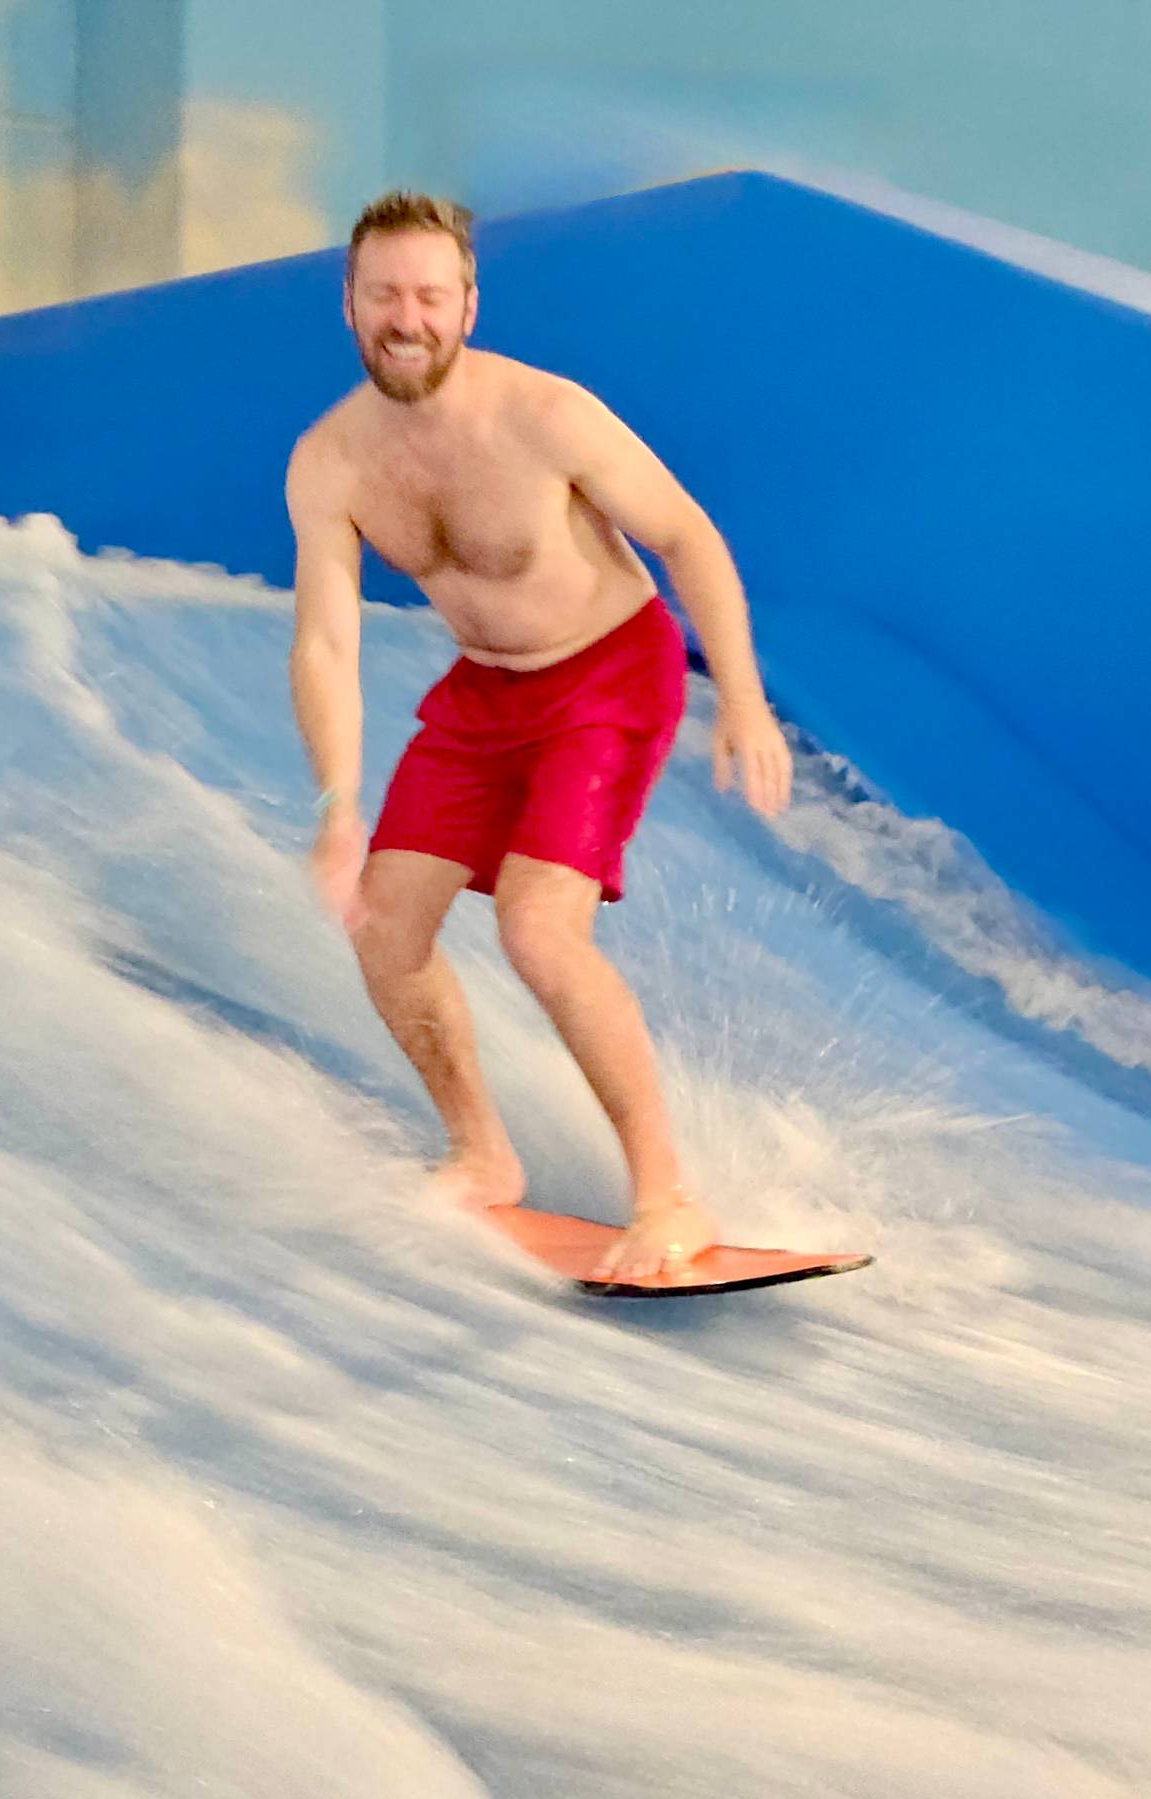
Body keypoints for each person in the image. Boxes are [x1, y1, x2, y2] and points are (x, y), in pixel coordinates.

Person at [285, 191, 793, 1282]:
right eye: (384, 295)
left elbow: (685, 536)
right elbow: (324, 645)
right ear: (349, 305)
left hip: (610, 674)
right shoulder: (330, 460)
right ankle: (482, 1154)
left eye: (430, 294)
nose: (406, 317)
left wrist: (743, 699)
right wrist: (338, 807)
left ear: (468, 303)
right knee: (381, 926)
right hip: (486, 695)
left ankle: (670, 1196)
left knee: (539, 931)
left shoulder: (548, 415)